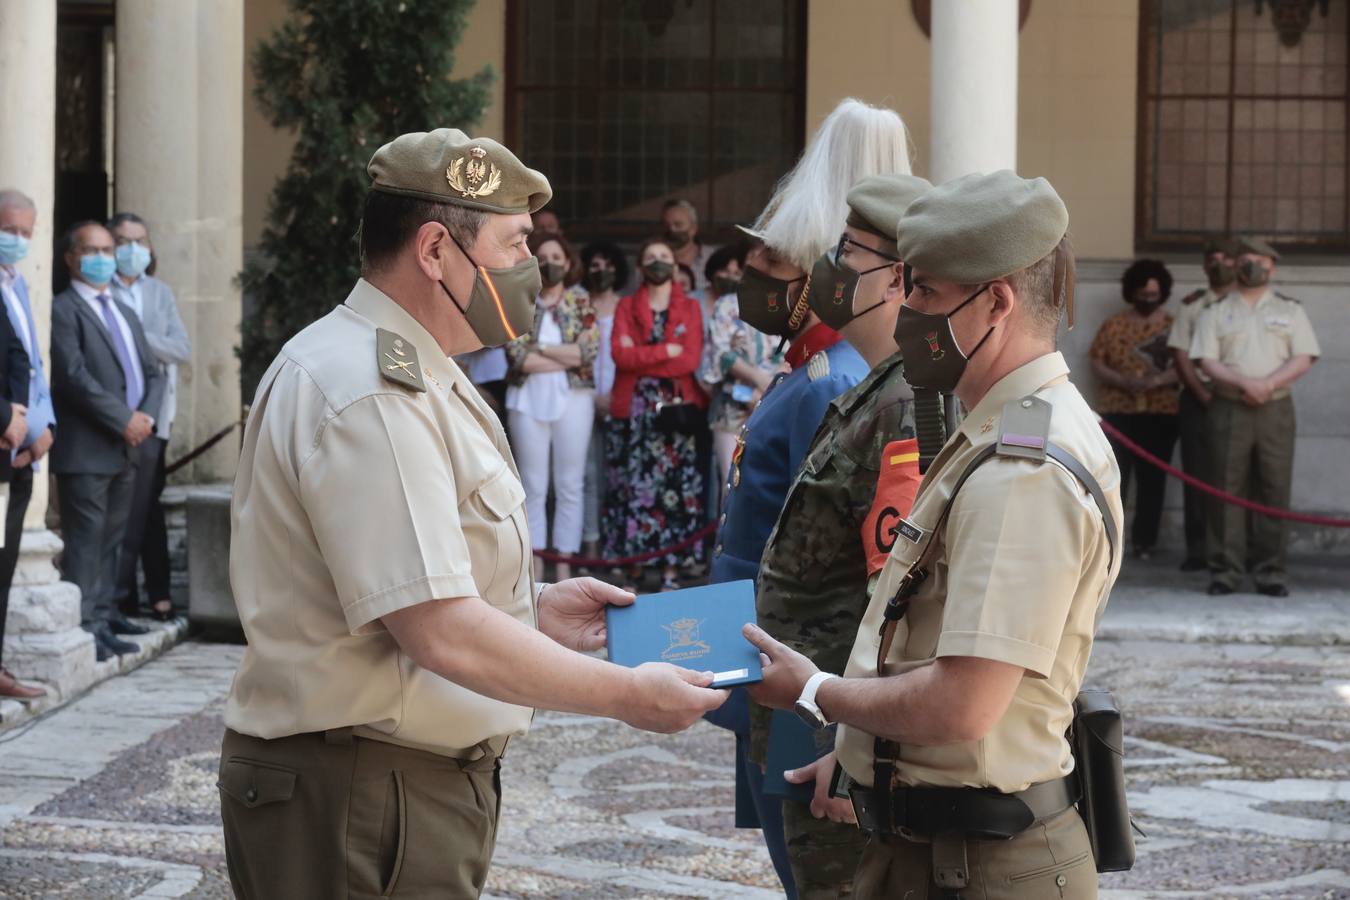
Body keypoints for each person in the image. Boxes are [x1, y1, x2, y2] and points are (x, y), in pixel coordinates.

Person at [218, 129, 726, 900]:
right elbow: (436, 625)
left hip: (389, 784)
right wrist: (624, 695)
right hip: (362, 792)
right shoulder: (371, 390)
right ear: (434, 251)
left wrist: (532, 610)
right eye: (515, 246)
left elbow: (421, 585)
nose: (531, 268)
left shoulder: (415, 371)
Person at [745, 170, 1123, 900]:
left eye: (924, 292)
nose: (906, 310)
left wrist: (819, 692)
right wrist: (865, 756)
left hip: (980, 862)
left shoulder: (1022, 468)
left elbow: (963, 706)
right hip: (941, 838)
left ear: (997, 303)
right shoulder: (1003, 425)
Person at [708, 97, 913, 898]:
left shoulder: (841, 386)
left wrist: (853, 731)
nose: (752, 277)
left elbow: (883, 583)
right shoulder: (806, 378)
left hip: (813, 683)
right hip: (772, 665)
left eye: (774, 267)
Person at [749, 173, 930, 899]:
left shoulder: (906, 405)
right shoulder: (868, 387)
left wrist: (861, 749)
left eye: (848, 252)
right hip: (810, 713)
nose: (829, 266)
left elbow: (904, 605)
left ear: (898, 278)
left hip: (838, 730)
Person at [50, 222, 164, 661]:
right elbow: (74, 376)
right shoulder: (63, 309)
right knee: (86, 542)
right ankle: (83, 628)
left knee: (113, 539)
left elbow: (152, 372)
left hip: (130, 444)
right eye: (91, 249)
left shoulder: (122, 309)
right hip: (89, 447)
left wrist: (145, 418)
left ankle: (102, 619)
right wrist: (123, 420)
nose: (102, 257)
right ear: (71, 257)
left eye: (107, 249)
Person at [1190, 236, 1319, 597]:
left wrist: (1267, 384)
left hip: (1275, 408)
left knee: (1274, 486)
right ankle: (1225, 570)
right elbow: (1207, 360)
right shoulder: (1214, 311)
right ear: (1233, 265)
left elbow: (1304, 357)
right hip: (1228, 406)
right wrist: (1245, 382)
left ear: (1272, 267)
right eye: (1244, 259)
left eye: (1260, 260)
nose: (1252, 266)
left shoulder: (1290, 310)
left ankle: (1270, 569)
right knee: (1225, 487)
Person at [604, 237, 706, 591]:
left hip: (675, 413)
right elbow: (620, 356)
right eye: (651, 257)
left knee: (675, 489)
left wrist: (644, 356)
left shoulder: (691, 308)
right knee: (633, 489)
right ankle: (633, 570)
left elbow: (689, 360)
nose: (658, 262)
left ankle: (671, 572)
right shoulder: (625, 307)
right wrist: (666, 351)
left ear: (675, 267)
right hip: (633, 414)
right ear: (639, 268)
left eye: (665, 256)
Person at [107, 212, 192, 621]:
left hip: (154, 418)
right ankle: (117, 599)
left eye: (140, 241)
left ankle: (149, 592)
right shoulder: (99, 290)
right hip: (110, 417)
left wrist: (132, 335)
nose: (133, 250)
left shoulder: (158, 292)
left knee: (146, 506)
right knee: (118, 511)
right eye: (123, 241)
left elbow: (180, 348)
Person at [503, 231, 597, 583]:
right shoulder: (519, 300)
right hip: (527, 399)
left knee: (570, 483)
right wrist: (564, 356)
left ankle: (565, 567)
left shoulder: (581, 303)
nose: (550, 264)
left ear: (569, 263)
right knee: (533, 484)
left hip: (575, 399)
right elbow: (517, 358)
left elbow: (586, 353)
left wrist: (538, 349)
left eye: (557, 258)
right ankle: (536, 566)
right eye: (543, 258)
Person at [0, 188, 55, 700]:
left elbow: (31, 364)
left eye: (24, 233)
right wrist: (8, 418)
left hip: (21, 448)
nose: (16, 241)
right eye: (8, 230)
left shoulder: (14, 285)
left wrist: (44, 428)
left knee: (6, 559)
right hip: (4, 439)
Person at [1088, 259, 1179, 559]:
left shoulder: (1173, 325)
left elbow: (1185, 366)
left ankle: (1145, 542)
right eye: (1143, 294)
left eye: (1153, 295)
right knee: (1117, 479)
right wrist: (1122, 381)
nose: (1148, 300)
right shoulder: (1114, 325)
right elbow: (1097, 361)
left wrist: (1155, 382)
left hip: (1160, 412)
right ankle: (1114, 542)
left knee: (1153, 481)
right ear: (1132, 292)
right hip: (1118, 413)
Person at [1168, 238, 1237, 571]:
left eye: (1226, 259)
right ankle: (1199, 549)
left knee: (1241, 477)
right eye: (1213, 260)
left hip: (1241, 400)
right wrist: (1203, 394)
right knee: (1198, 475)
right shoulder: (1192, 304)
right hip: (1200, 398)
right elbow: (1180, 353)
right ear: (1205, 266)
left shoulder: (1250, 304)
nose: (1219, 265)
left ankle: (1241, 548)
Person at [578, 240, 628, 563]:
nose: (601, 271)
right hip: (581, 396)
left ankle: (616, 543)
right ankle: (590, 541)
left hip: (619, 397)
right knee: (586, 474)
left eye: (607, 265)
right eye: (595, 265)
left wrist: (612, 395)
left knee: (618, 475)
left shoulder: (626, 305)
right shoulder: (579, 303)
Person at [662, 198, 718, 291]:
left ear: (693, 229)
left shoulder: (713, 258)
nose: (672, 229)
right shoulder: (652, 259)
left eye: (678, 225)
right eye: (666, 225)